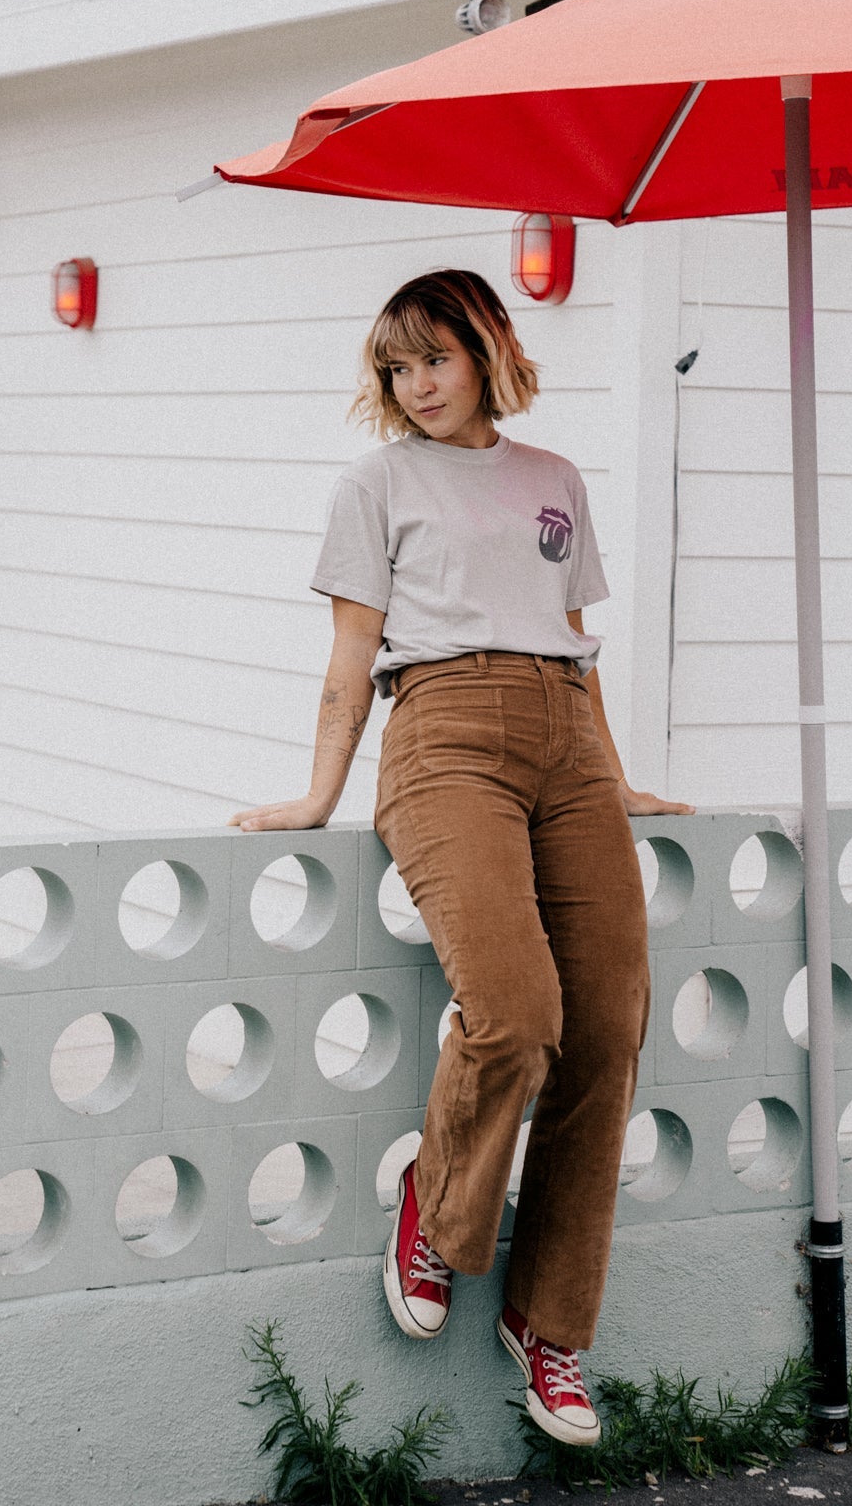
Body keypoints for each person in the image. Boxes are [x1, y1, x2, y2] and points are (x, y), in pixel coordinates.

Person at [231, 268, 692, 1446]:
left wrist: (614, 773)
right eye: (396, 366)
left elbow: (575, 649)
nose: (416, 384)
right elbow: (350, 658)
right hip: (440, 732)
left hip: (566, 744)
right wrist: (320, 792)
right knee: (515, 1008)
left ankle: (548, 1326)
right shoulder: (375, 482)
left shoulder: (555, 481)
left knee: (605, 1024)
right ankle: (431, 1219)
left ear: (486, 347)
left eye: (434, 357)